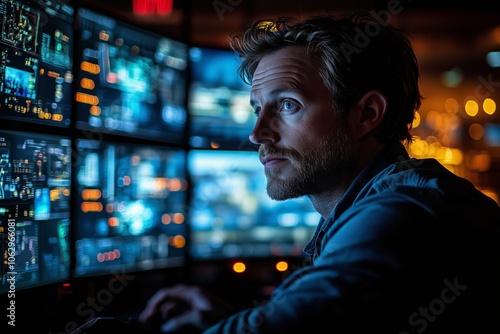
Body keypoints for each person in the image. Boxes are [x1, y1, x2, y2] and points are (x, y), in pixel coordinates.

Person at [74, 11, 500, 334]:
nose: (257, 134)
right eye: (259, 109)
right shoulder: (383, 199)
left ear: (367, 114)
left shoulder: (403, 212)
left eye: (288, 105)